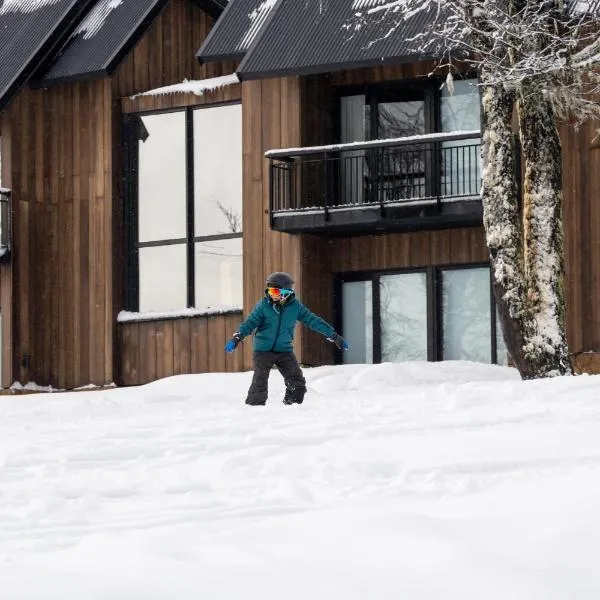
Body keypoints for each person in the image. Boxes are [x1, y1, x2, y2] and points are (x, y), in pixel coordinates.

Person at [225, 272, 348, 406]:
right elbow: (250, 323)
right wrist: (237, 337)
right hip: (263, 351)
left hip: (284, 350)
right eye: (270, 290)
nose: (272, 294)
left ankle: (290, 409)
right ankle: (254, 411)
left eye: (275, 291)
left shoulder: (295, 307)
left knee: (297, 384)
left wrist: (333, 335)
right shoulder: (263, 305)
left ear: (287, 292)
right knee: (259, 383)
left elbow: (314, 321)